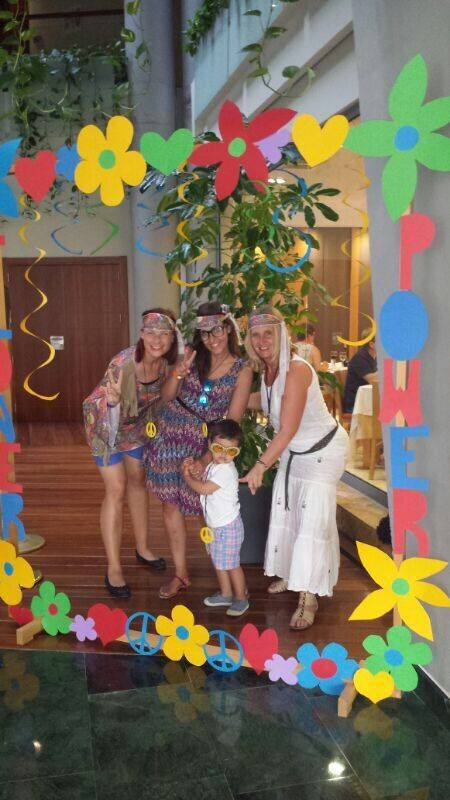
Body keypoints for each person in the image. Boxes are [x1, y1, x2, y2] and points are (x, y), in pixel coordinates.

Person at [241, 306, 349, 630]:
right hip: (294, 451)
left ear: (282, 333)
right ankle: (293, 574)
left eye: (268, 333)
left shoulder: (297, 370)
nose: (261, 341)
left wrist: (260, 465)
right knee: (287, 512)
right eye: (256, 334)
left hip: (322, 452)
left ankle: (309, 597)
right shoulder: (269, 371)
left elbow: (286, 428)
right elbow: (268, 401)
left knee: (311, 523)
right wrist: (230, 398)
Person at [144, 302, 252, 600]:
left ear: (228, 328)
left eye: (216, 330)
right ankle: (181, 573)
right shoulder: (191, 357)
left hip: (206, 445)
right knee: (170, 506)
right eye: (204, 333)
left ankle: (227, 581)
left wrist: (206, 459)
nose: (211, 338)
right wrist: (179, 372)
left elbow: (232, 422)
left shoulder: (242, 370)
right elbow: (167, 397)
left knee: (209, 510)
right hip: (170, 437)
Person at [83, 308, 181, 598]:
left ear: (172, 338)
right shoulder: (123, 363)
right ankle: (113, 567)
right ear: (141, 334)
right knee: (117, 487)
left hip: (136, 425)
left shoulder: (166, 364)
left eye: (164, 334)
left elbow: (165, 397)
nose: (157, 339)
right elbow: (105, 400)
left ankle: (143, 548)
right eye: (151, 332)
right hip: (105, 424)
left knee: (138, 479)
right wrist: (112, 402)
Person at [182, 419, 248, 616]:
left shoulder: (226, 471)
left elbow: (203, 488)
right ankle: (227, 593)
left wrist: (187, 476)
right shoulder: (214, 465)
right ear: (209, 444)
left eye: (231, 452)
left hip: (227, 527)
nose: (224, 455)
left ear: (237, 451)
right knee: (219, 561)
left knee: (232, 565)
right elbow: (204, 479)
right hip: (216, 526)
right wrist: (194, 467)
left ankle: (241, 598)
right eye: (219, 448)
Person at [343, 334, 377, 412]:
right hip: (356, 404)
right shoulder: (360, 358)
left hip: (368, 400)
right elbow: (372, 380)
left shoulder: (374, 357)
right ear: (372, 344)